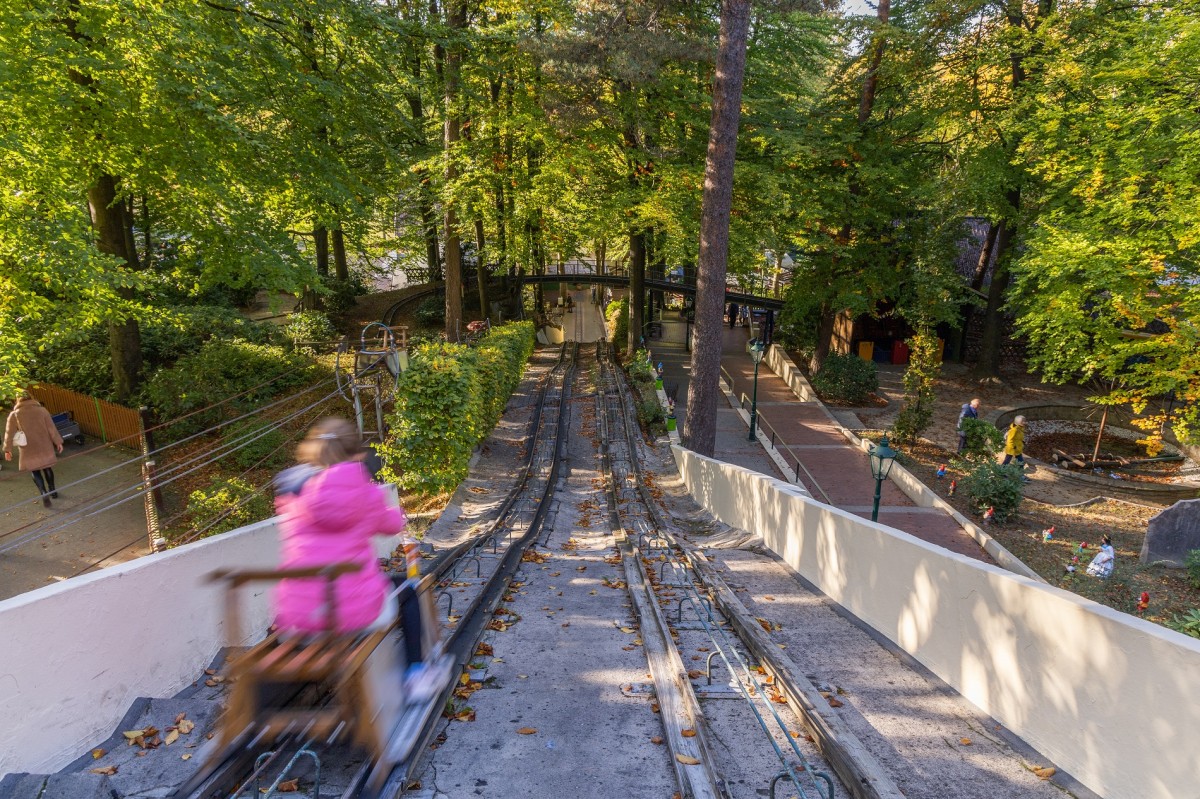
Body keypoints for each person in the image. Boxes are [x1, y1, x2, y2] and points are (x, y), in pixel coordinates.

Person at [272, 418, 439, 701]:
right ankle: (417, 673)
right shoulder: (363, 491)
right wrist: (399, 514)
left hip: (297, 619)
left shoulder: (294, 492)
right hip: (351, 616)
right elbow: (389, 524)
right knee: (408, 589)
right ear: (358, 455)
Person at [3, 391, 64, 509]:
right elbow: (51, 428)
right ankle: (53, 491)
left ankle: (43, 492)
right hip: (44, 443)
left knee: (34, 470)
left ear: (17, 400)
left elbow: (9, 434)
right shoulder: (42, 410)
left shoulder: (14, 414)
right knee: (47, 467)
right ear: (31, 397)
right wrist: (58, 442)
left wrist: (7, 450)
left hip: (27, 447)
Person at [1002, 415, 1031, 483]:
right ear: (1019, 422)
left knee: (1011, 461)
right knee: (1012, 461)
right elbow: (1009, 440)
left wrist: (1022, 442)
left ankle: (1002, 472)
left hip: (1017, 448)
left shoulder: (1020, 428)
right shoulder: (1014, 430)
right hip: (1012, 449)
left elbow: (1017, 438)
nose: (1024, 422)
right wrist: (1013, 447)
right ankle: (1020, 476)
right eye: (1023, 421)